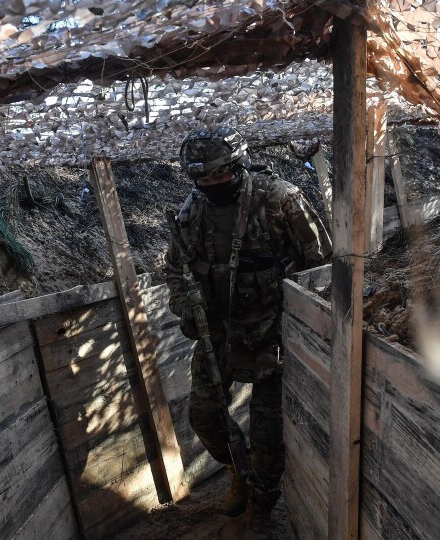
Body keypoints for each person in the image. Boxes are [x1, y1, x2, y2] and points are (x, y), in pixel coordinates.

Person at [165, 126, 332, 533]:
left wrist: (304, 325)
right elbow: (174, 271)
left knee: (268, 432)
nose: (211, 184)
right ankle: (238, 470)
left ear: (238, 165)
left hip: (273, 331)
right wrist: (185, 307)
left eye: (219, 175)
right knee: (204, 415)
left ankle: (261, 502)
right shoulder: (191, 212)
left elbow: (323, 265)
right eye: (202, 179)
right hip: (220, 333)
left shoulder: (279, 199)